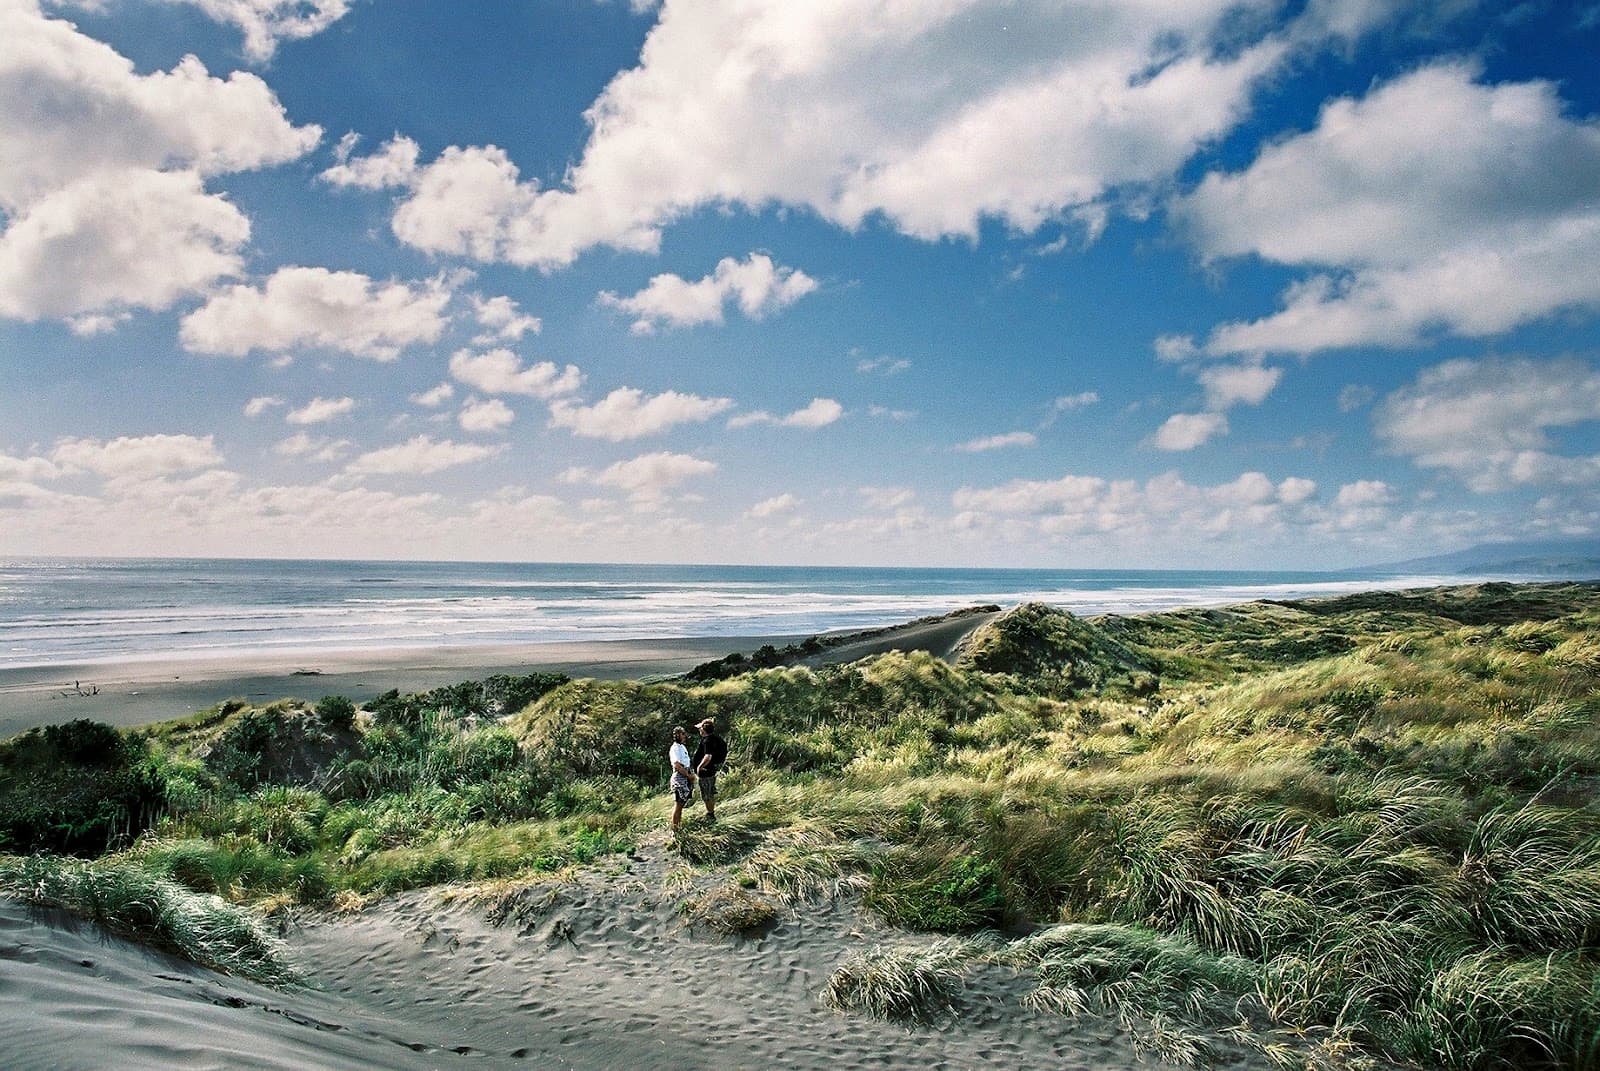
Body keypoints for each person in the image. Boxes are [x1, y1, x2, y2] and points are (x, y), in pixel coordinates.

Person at [690, 717, 728, 822]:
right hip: (711, 770)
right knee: (710, 792)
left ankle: (710, 816)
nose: (699, 730)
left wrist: (699, 767)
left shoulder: (707, 741)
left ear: (704, 729)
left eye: (700, 728)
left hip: (706, 772)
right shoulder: (715, 738)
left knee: (707, 794)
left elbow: (708, 756)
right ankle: (710, 813)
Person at [668, 725, 696, 830]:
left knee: (682, 804)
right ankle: (675, 830)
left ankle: (678, 826)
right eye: (682, 734)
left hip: (686, 776)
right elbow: (677, 765)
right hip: (680, 777)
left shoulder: (683, 747)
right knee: (678, 805)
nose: (684, 736)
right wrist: (688, 775)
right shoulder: (674, 748)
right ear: (677, 735)